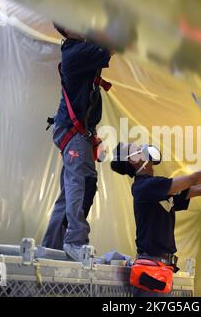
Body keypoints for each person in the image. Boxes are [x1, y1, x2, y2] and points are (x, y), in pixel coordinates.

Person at [110, 142, 201, 296]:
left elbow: (200, 190)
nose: (141, 147)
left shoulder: (157, 188)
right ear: (133, 160)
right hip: (152, 270)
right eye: (135, 149)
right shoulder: (145, 187)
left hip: (160, 269)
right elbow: (194, 179)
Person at [41, 22, 114, 261]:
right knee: (79, 182)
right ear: (68, 28)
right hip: (73, 131)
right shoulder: (75, 51)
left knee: (77, 187)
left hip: (76, 131)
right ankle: (74, 239)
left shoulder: (78, 50)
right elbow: (111, 45)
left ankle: (51, 248)